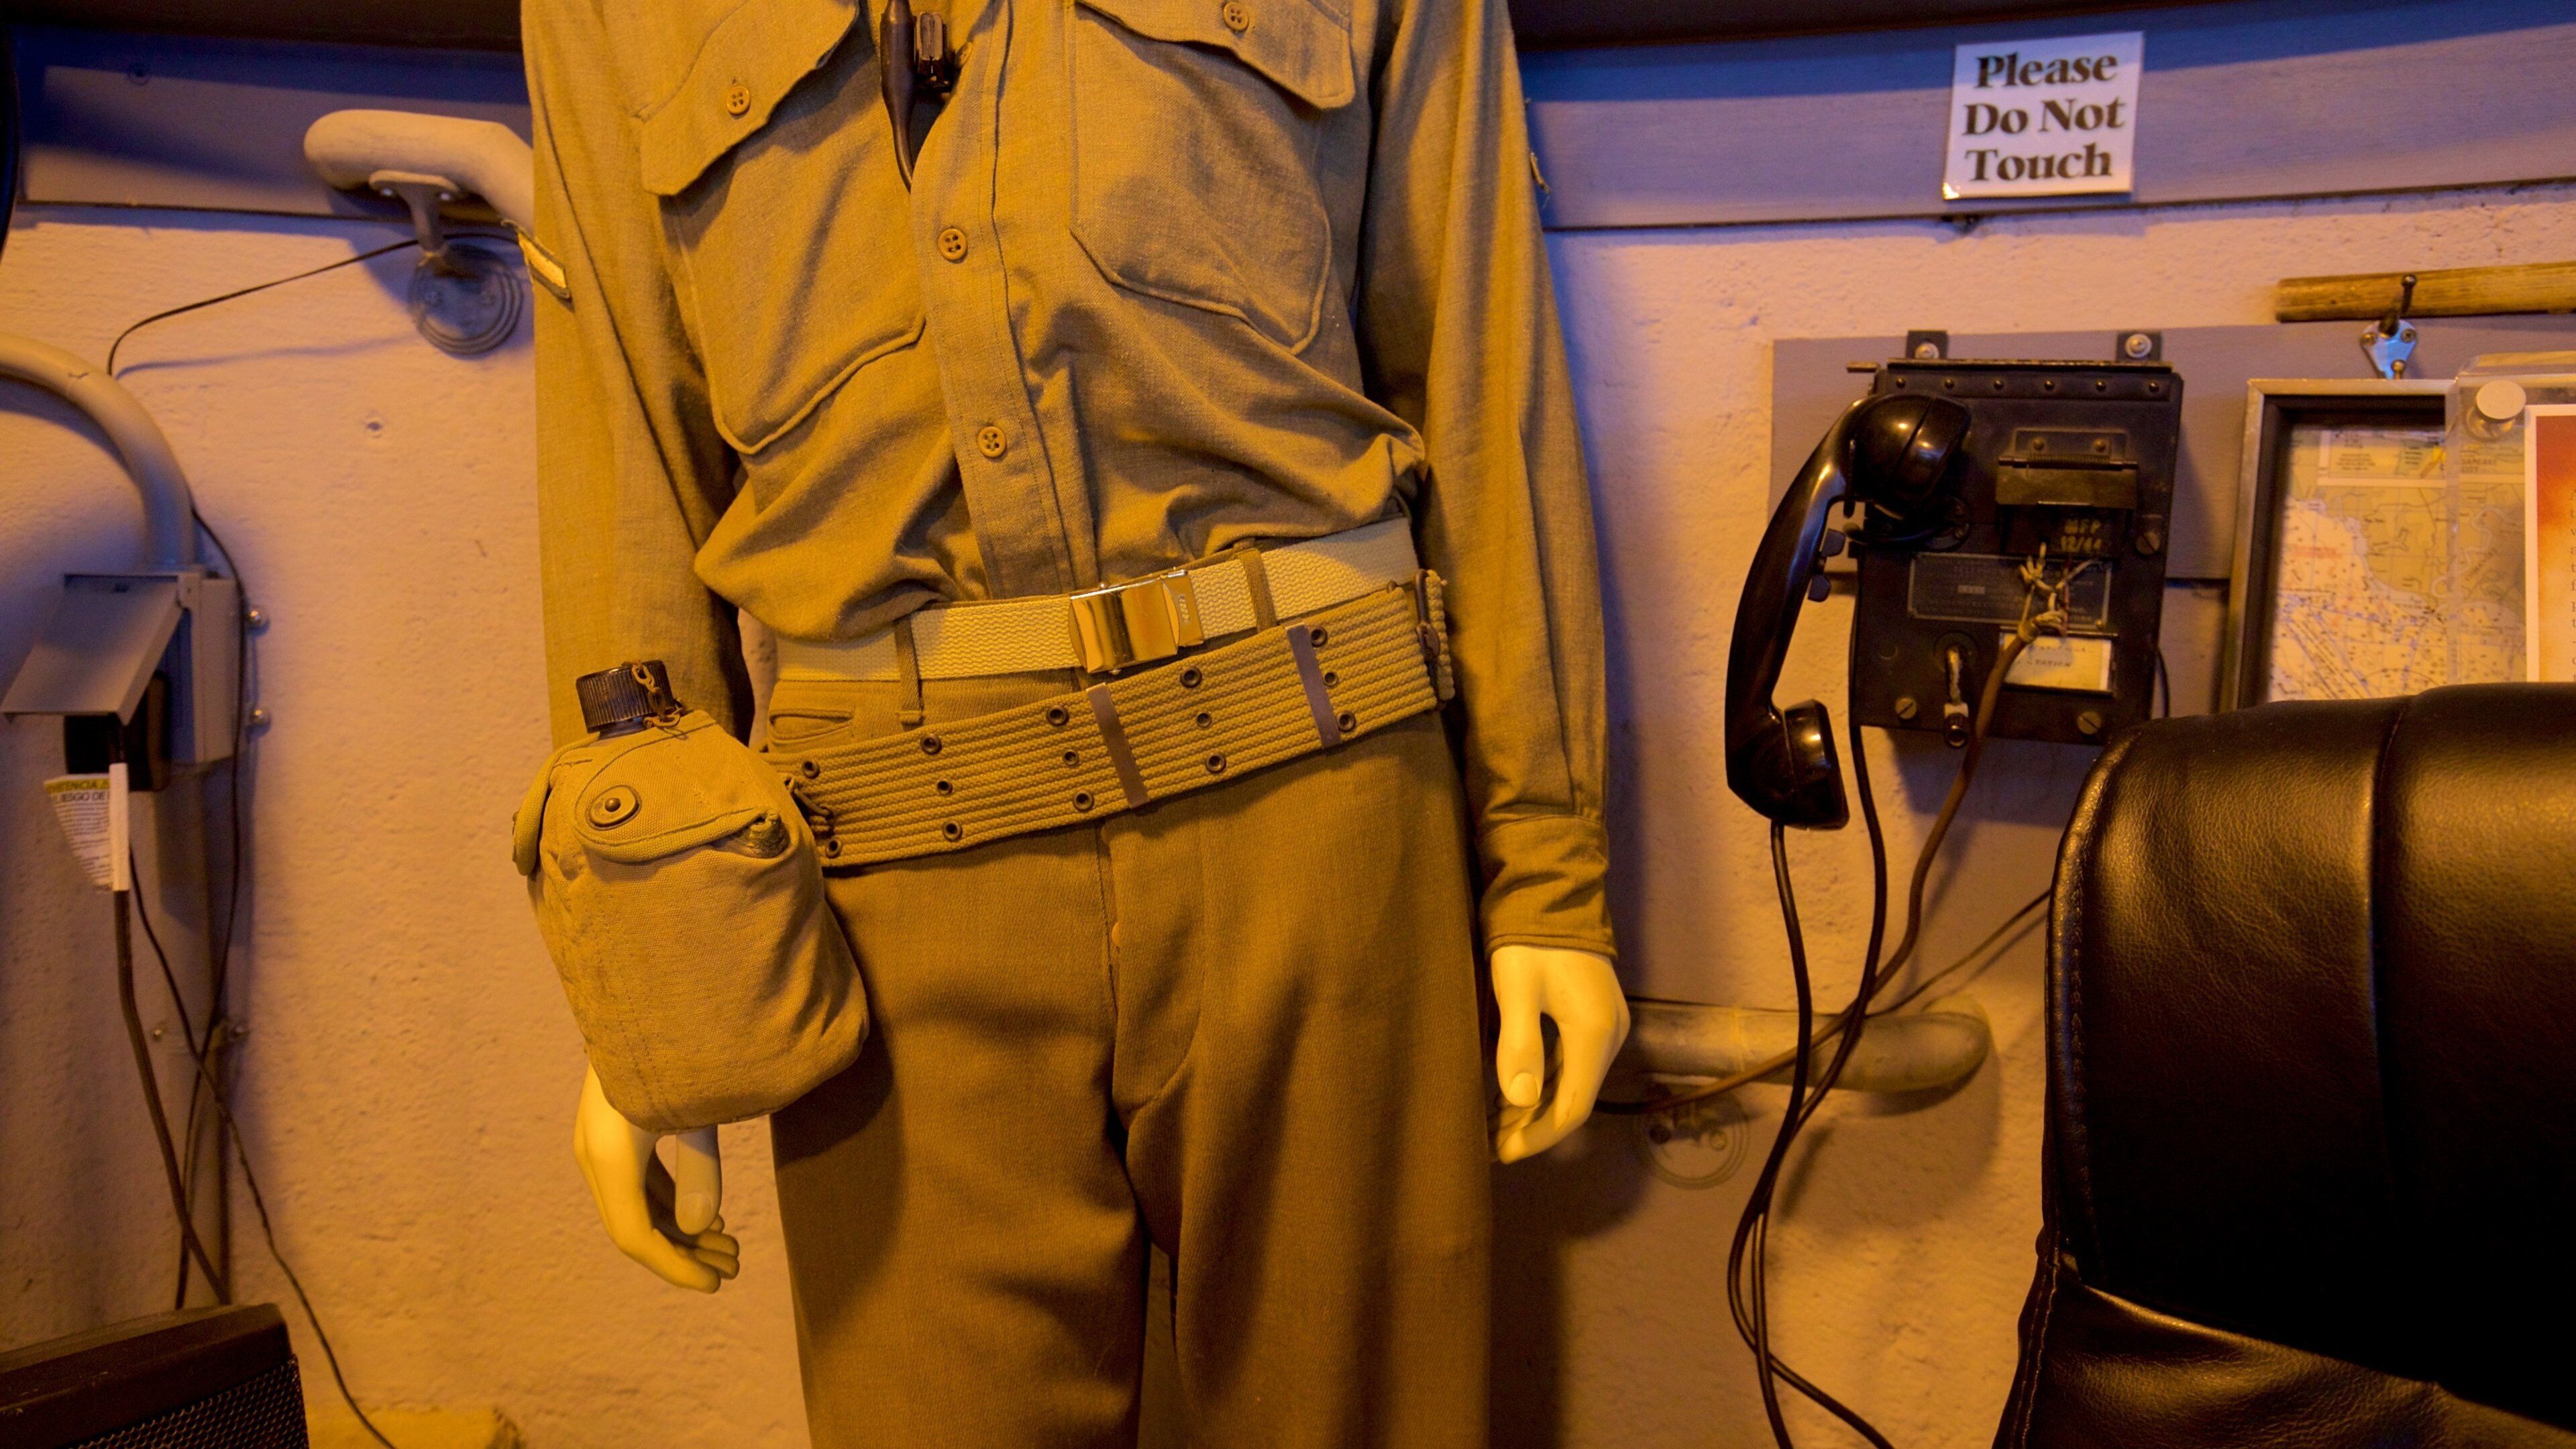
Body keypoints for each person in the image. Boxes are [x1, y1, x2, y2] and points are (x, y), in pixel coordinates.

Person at [522, 0, 1625, 1441]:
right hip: (898, 878)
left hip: (1319, 817)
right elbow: (622, 433)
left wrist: (1548, 870)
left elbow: (1479, 352)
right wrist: (655, 962)